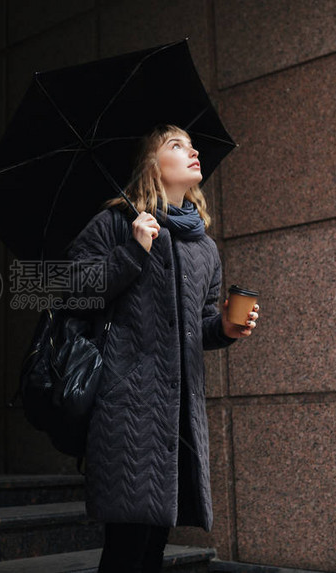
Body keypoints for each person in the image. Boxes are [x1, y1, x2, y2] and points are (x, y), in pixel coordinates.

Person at [65, 124, 259, 573]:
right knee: (125, 549)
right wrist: (131, 251)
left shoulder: (203, 248)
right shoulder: (117, 222)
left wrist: (225, 330)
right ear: (152, 165)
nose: (192, 152)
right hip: (127, 408)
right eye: (177, 145)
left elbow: (198, 327)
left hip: (178, 416)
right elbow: (71, 287)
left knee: (152, 547)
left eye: (192, 147)